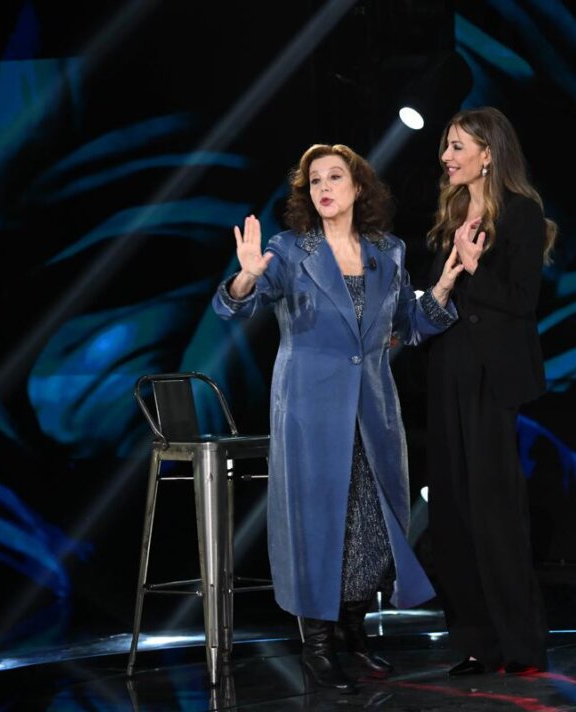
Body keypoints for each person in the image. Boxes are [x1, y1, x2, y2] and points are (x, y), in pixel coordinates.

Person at [211, 144, 462, 692]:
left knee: (369, 527)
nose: (323, 187)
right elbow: (235, 306)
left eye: (334, 177)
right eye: (314, 180)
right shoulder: (288, 250)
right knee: (315, 528)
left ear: (358, 187)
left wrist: (443, 285)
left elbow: (409, 325)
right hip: (308, 411)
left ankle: (354, 635)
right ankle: (317, 649)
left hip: (373, 411)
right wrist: (246, 278)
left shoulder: (388, 251)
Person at [424, 107, 557, 676]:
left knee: (494, 510)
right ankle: (477, 641)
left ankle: (520, 644)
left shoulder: (522, 213)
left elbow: (522, 301)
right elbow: (442, 297)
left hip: (493, 378)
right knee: (452, 511)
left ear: (488, 153)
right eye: (447, 146)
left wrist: (477, 268)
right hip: (448, 369)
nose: (447, 156)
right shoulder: (451, 213)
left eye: (458, 146)